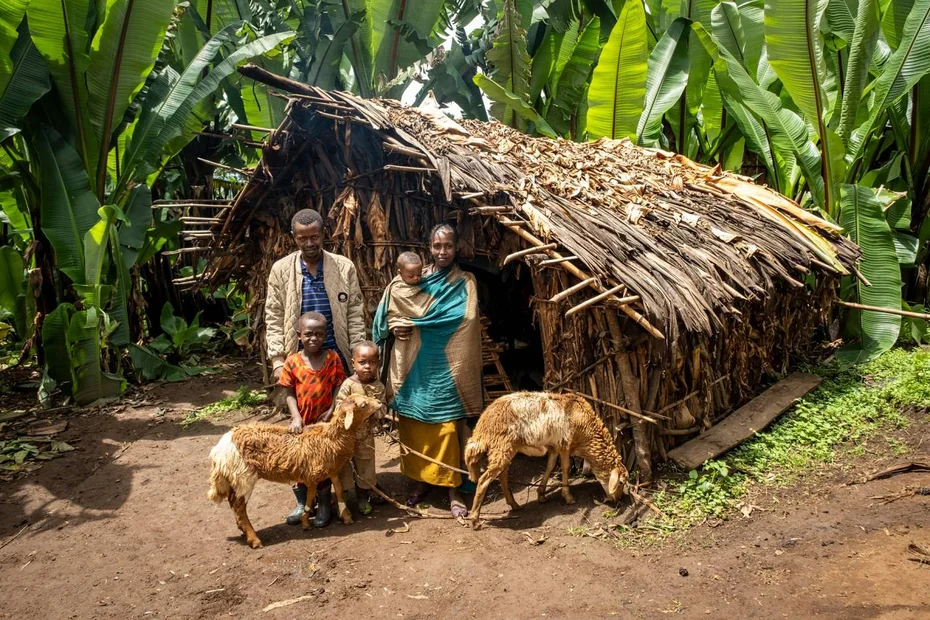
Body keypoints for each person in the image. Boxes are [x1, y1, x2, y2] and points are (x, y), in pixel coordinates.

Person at [373, 224, 483, 518]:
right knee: (413, 424)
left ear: (456, 246)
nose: (442, 251)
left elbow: (467, 318)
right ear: (429, 248)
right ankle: (421, 480)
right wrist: (395, 325)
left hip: (448, 367)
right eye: (436, 246)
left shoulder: (465, 281)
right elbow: (385, 313)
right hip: (413, 367)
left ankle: (453, 488)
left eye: (447, 245)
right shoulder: (412, 280)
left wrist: (418, 324)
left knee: (447, 427)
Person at [265, 208, 366, 378]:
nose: (309, 243)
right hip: (298, 360)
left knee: (340, 403)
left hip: (337, 357)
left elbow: (354, 314)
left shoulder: (344, 267)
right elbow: (274, 316)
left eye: (314, 237)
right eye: (302, 239)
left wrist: (358, 353)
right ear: (293, 237)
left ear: (323, 233)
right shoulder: (281, 269)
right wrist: (277, 361)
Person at [277, 312, 347, 527]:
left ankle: (325, 503)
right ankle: (302, 503)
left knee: (322, 463)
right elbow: (288, 391)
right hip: (303, 423)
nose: (313, 338)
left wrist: (333, 408)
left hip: (324, 424)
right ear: (299, 335)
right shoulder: (293, 362)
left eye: (319, 334)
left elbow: (338, 385)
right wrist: (296, 417)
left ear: (326, 335)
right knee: (301, 462)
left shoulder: (332, 358)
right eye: (308, 334)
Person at [335, 341, 387, 516]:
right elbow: (339, 405)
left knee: (366, 464)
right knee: (345, 465)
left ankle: (364, 495)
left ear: (377, 364)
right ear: (353, 363)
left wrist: (377, 412)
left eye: (372, 363)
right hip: (347, 435)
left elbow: (383, 408)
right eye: (362, 362)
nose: (367, 367)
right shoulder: (349, 385)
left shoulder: (379, 386)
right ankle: (346, 497)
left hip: (366, 436)